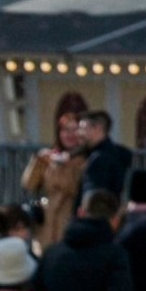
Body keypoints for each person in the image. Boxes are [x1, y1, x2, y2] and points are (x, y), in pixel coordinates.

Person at [19, 107, 89, 250]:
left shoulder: (86, 160)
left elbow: (72, 188)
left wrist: (66, 165)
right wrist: (38, 162)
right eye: (65, 130)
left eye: (74, 130)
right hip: (47, 218)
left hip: (70, 218)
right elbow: (28, 184)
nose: (69, 135)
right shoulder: (48, 157)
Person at [77, 110, 134, 211]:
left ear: (98, 128)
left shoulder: (98, 159)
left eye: (83, 129)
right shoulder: (120, 152)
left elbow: (92, 196)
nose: (79, 133)